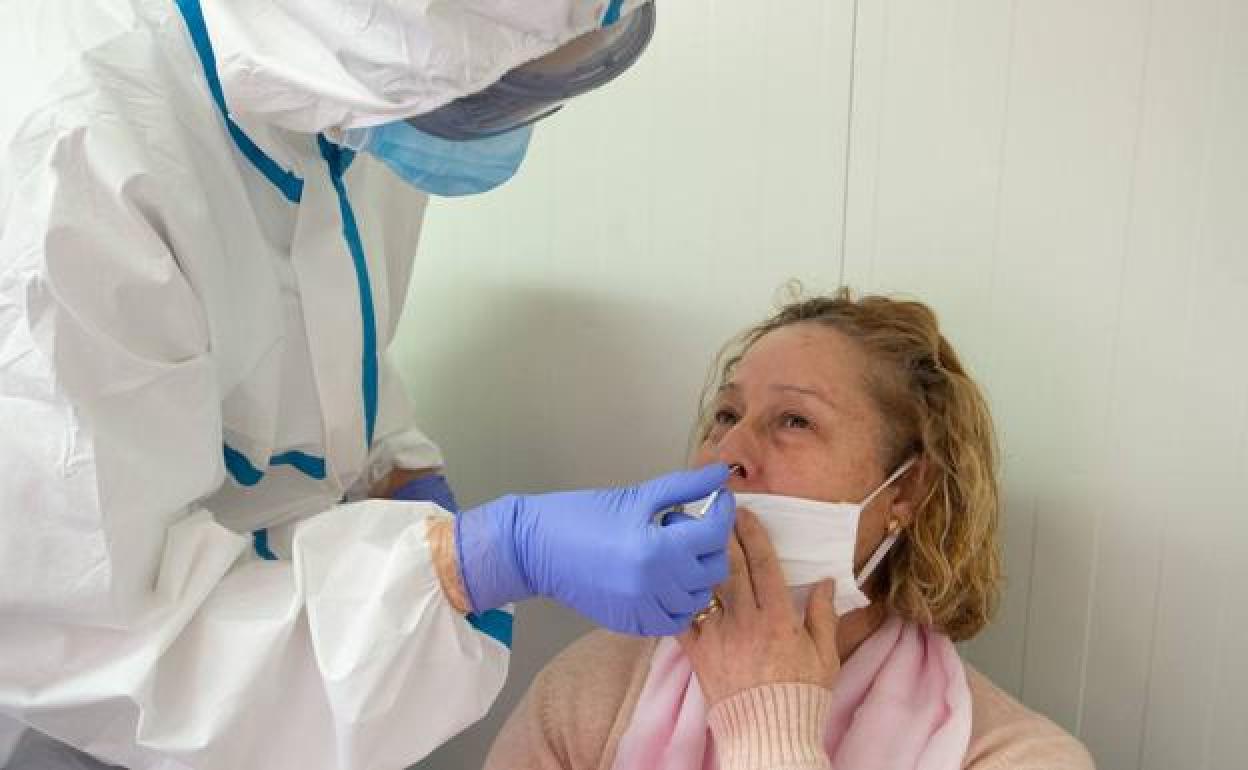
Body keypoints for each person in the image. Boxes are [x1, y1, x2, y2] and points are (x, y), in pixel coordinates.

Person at [0, 2, 738, 768]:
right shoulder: (71, 157)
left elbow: (313, 337)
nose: (504, 121)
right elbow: (110, 650)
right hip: (112, 716)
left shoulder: (356, 94)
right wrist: (478, 561)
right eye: (492, 93)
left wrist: (395, 466)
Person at [486, 289, 1096, 770]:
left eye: (795, 420)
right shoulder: (595, 687)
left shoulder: (1016, 756)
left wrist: (767, 726)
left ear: (906, 491)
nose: (729, 452)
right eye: (725, 414)